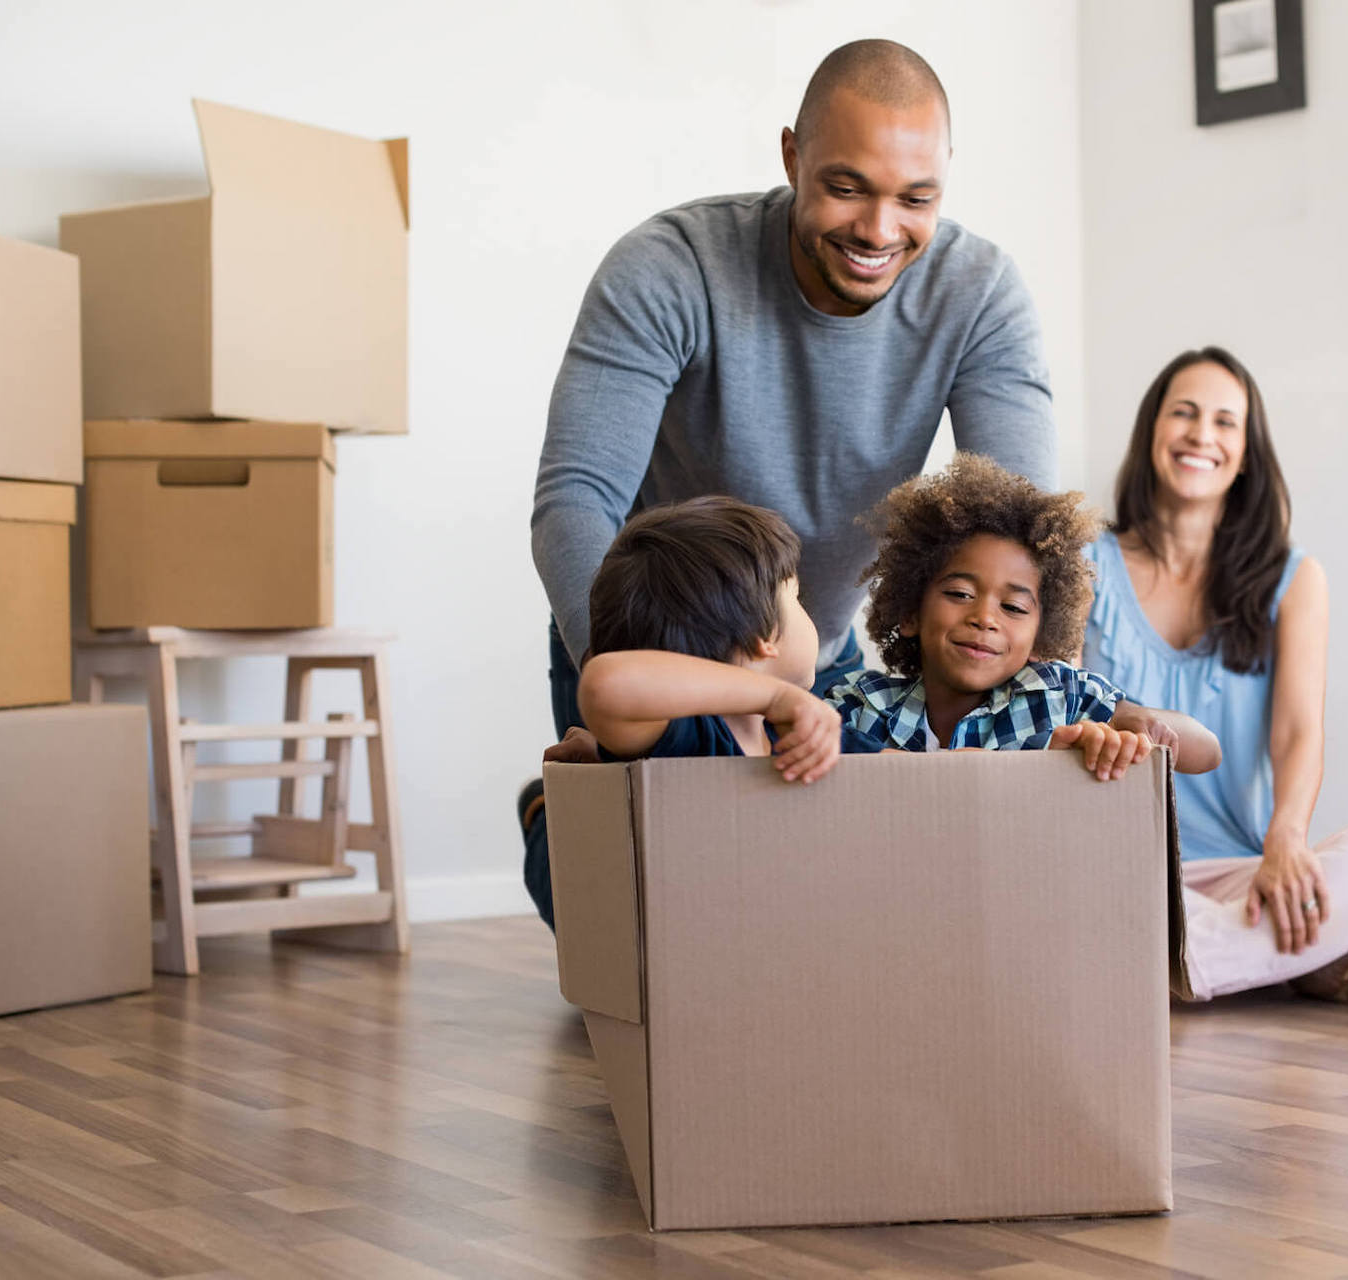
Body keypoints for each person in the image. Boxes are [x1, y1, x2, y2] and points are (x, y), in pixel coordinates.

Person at [530, 37, 1056, 739]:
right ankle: (549, 823)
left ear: (945, 175)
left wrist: (1051, 712)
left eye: (915, 198)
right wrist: (629, 687)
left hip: (814, 653)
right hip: (650, 656)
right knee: (607, 847)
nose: (878, 230)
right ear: (791, 157)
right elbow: (576, 499)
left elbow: (1025, 533)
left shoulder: (980, 294)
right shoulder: (670, 266)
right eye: (846, 189)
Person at [1083, 347, 1348, 1004]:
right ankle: (1302, 958)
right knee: (1083, 892)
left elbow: (1298, 733)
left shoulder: (1294, 581)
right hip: (1111, 865)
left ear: (1246, 453)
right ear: (1152, 430)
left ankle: (1177, 965)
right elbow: (1054, 717)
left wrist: (1288, 841)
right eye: (1183, 413)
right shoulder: (1081, 563)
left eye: (1224, 422)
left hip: (1240, 870)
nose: (1201, 435)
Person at [521, 497, 881, 930]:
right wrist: (774, 697)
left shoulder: (808, 736)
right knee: (575, 891)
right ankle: (543, 813)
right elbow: (604, 683)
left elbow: (910, 778)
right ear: (764, 636)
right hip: (668, 945)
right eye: (797, 596)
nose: (810, 615)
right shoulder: (688, 739)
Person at [826, 453, 1219, 779]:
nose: (985, 618)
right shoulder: (862, 705)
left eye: (1013, 607)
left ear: (1040, 636)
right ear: (910, 612)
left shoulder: (1061, 698)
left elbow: (1207, 751)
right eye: (960, 594)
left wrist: (1136, 720)